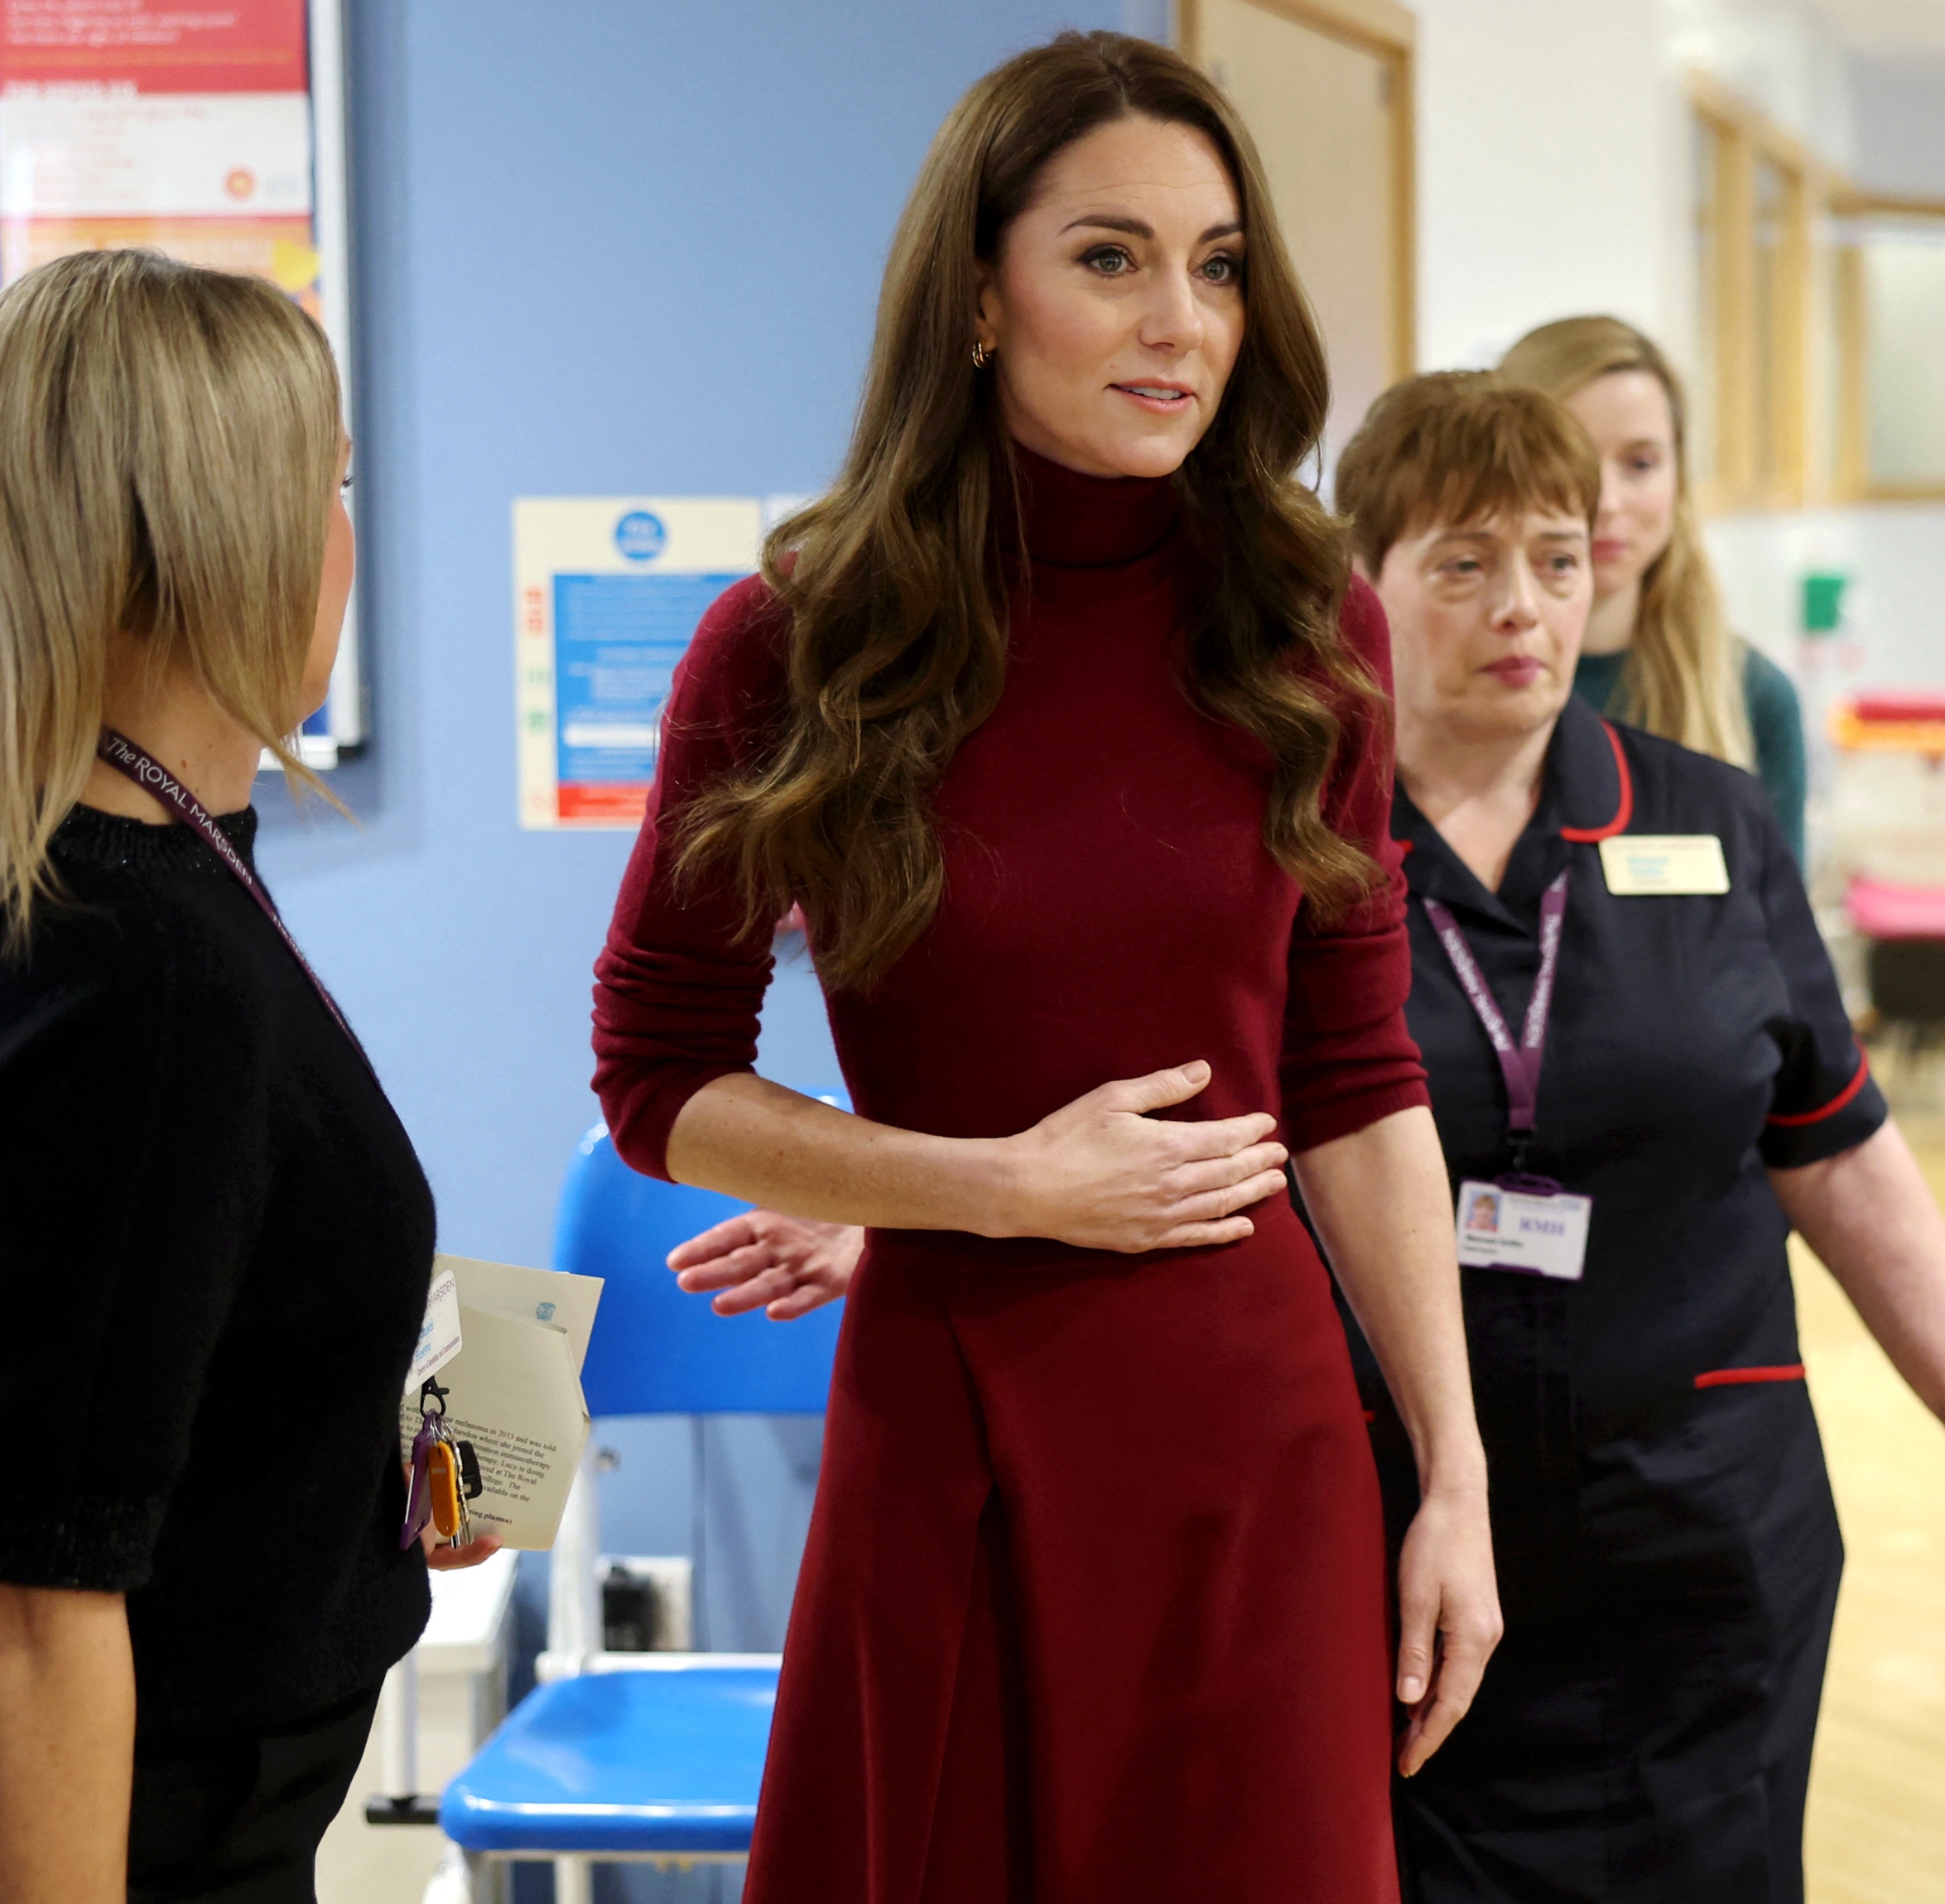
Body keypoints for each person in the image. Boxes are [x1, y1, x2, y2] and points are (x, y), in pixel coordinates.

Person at [585, 33, 1495, 1901]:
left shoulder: (1309, 624)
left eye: (1216, 266)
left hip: (1257, 1445)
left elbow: (1355, 1077)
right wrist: (993, 1186)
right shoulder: (795, 642)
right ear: (979, 296)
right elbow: (658, 1077)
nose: (1179, 321)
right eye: (1108, 257)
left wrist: (1453, 1470)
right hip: (957, 1430)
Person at [0, 248, 493, 1903]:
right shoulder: (149, 974)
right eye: (326, 489)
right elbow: (30, 1601)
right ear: (225, 539)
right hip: (101, 1829)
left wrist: (346, 1453)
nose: (344, 541)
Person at [1326, 368, 1945, 1900]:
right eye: (1463, 563)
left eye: (1556, 560)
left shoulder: (1707, 820)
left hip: (1701, 1528)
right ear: (1364, 586)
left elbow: (1833, 1142)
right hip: (1400, 1533)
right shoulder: (1299, 845)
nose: (1522, 606)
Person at [1497, 316, 1812, 853]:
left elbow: (1780, 906)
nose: (1607, 502)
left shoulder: (1753, 696)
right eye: (1570, 462)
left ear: (1678, 480)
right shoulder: (1452, 688)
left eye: (1640, 463)